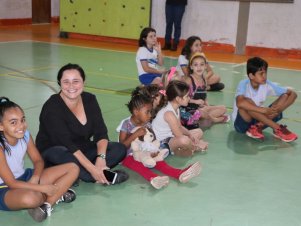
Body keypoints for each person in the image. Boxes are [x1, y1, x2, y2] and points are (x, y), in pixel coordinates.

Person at [35, 63, 128, 186]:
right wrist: (92, 169)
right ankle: (97, 176)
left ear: (83, 82)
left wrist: (101, 158)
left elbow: (101, 132)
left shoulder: (90, 100)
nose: (71, 86)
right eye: (66, 82)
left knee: (119, 149)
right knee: (63, 154)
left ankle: (75, 174)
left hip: (81, 149)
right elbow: (68, 144)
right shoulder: (52, 107)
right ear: (60, 84)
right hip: (56, 153)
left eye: (76, 81)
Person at [0, 97, 79, 222]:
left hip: (25, 178)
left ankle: (47, 205)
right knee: (31, 199)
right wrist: (43, 188)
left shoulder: (25, 135)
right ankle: (56, 193)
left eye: (23, 120)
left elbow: (38, 160)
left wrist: (35, 177)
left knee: (73, 168)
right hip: (4, 188)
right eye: (13, 122)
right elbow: (11, 183)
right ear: (1, 126)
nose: (21, 126)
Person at [118, 88, 201, 189]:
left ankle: (179, 174)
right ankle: (153, 178)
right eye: (147, 112)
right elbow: (121, 147)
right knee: (137, 165)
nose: (150, 115)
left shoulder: (147, 123)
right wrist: (135, 134)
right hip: (128, 156)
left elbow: (153, 139)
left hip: (145, 152)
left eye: (150, 112)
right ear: (136, 112)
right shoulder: (126, 124)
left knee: (160, 162)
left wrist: (154, 150)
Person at [232, 57, 298, 142]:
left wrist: (279, 109)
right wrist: (263, 110)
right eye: (261, 74)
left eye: (265, 73)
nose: (264, 76)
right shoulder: (243, 84)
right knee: (247, 102)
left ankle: (257, 127)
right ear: (251, 76)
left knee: (284, 96)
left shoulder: (267, 84)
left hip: (258, 120)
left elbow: (293, 94)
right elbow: (240, 103)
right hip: (242, 124)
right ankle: (277, 128)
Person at [152, 80, 208, 157]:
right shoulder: (169, 113)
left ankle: (184, 149)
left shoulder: (176, 108)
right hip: (161, 143)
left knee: (198, 132)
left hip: (171, 137)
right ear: (178, 99)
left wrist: (190, 135)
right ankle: (191, 149)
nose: (189, 98)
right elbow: (179, 136)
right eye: (187, 96)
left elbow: (180, 126)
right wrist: (197, 145)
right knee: (184, 140)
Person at [182, 53, 229, 127]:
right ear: (191, 67)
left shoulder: (204, 79)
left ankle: (203, 119)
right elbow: (181, 98)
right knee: (202, 113)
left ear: (205, 66)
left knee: (223, 108)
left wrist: (207, 104)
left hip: (199, 109)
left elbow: (204, 95)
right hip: (188, 110)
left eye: (202, 64)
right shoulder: (189, 80)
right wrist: (195, 101)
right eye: (196, 65)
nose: (199, 67)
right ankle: (214, 120)